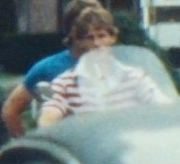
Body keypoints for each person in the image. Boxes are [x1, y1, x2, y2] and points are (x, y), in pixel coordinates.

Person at [4, 0, 120, 138]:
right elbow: (11, 110)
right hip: (69, 146)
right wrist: (28, 145)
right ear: (73, 31)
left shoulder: (120, 65)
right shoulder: (48, 69)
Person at [34, 41, 166, 127]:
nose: (97, 44)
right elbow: (46, 105)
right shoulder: (49, 68)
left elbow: (161, 103)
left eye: (102, 35)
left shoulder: (134, 75)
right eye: (89, 37)